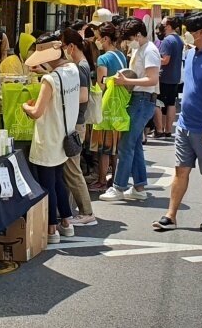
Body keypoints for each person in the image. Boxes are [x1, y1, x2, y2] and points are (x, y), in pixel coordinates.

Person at [152, 12, 202, 232]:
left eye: (189, 31)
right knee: (181, 170)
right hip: (185, 125)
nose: (186, 34)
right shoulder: (192, 53)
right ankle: (171, 215)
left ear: (201, 32)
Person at [22, 39, 79, 244]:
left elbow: (37, 112)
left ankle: (51, 228)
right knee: (58, 180)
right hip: (65, 137)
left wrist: (25, 107)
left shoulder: (49, 79)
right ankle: (66, 222)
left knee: (47, 184)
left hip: (48, 137)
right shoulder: (73, 70)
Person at [100, 18, 161, 203]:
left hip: (143, 100)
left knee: (126, 145)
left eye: (128, 38)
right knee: (134, 144)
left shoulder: (149, 50)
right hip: (138, 99)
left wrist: (126, 81)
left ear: (138, 35)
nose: (127, 42)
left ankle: (118, 187)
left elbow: (152, 79)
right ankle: (139, 187)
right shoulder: (140, 48)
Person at [59, 28, 98, 227]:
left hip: (75, 124)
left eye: (64, 46)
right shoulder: (81, 65)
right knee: (70, 169)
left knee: (73, 169)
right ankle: (71, 210)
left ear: (72, 47)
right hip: (76, 123)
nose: (63, 50)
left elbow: (83, 96)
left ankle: (86, 212)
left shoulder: (80, 67)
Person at [89, 23, 127, 192]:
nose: (96, 41)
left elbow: (101, 84)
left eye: (98, 38)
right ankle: (116, 178)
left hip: (105, 104)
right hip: (118, 105)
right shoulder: (121, 55)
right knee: (115, 146)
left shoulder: (103, 59)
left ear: (105, 38)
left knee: (104, 147)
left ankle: (101, 180)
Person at [156, 16, 185, 139]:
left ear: (168, 26)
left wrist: (154, 59)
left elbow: (165, 60)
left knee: (160, 103)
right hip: (175, 76)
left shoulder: (167, 41)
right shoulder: (179, 40)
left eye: (163, 24)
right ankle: (168, 130)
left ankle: (160, 129)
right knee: (171, 103)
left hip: (165, 76)